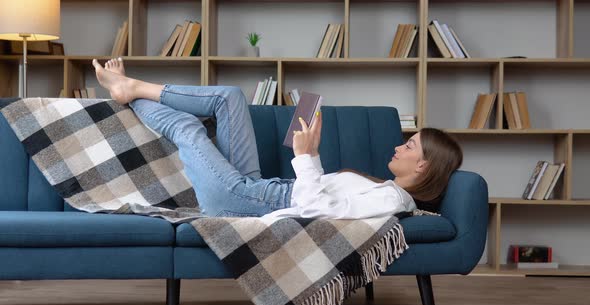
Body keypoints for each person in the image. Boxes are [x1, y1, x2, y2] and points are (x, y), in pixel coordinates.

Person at [92, 58, 463, 219]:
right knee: (230, 98)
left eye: (409, 145)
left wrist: (305, 158)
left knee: (189, 129)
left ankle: (130, 92)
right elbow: (324, 199)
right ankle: (133, 88)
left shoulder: (391, 199)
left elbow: (315, 212)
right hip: (256, 188)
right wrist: (311, 154)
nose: (399, 145)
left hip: (241, 201)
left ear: (423, 165)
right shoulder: (386, 191)